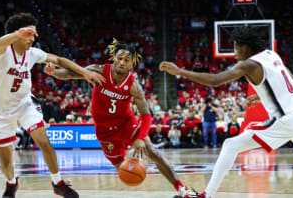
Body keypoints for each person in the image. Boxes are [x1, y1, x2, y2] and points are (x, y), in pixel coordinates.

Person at [160, 26, 293, 198]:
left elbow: (216, 80)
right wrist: (262, 96)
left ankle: (207, 195)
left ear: (245, 47)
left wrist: (180, 71)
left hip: (285, 119)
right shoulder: (272, 55)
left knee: (230, 145)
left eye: (236, 48)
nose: (234, 53)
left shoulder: (248, 64)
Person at [44, 38, 196, 197]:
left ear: (131, 64)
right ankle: (131, 159)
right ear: (113, 58)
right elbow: (69, 74)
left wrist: (141, 138)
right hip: (104, 131)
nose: (122, 62)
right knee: (123, 171)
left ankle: (181, 189)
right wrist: (54, 72)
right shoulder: (99, 71)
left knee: (152, 151)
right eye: (119, 58)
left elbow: (146, 115)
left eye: (127, 60)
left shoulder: (133, 85)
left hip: (125, 123)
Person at [0, 13, 104, 198]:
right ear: (17, 33)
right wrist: (19, 34)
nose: (34, 38)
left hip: (25, 103)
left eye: (34, 35)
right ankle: (12, 182)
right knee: (6, 159)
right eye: (30, 34)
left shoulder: (33, 53)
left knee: (44, 141)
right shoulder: (2, 52)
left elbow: (59, 59)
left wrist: (84, 72)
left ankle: (57, 182)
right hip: (0, 111)